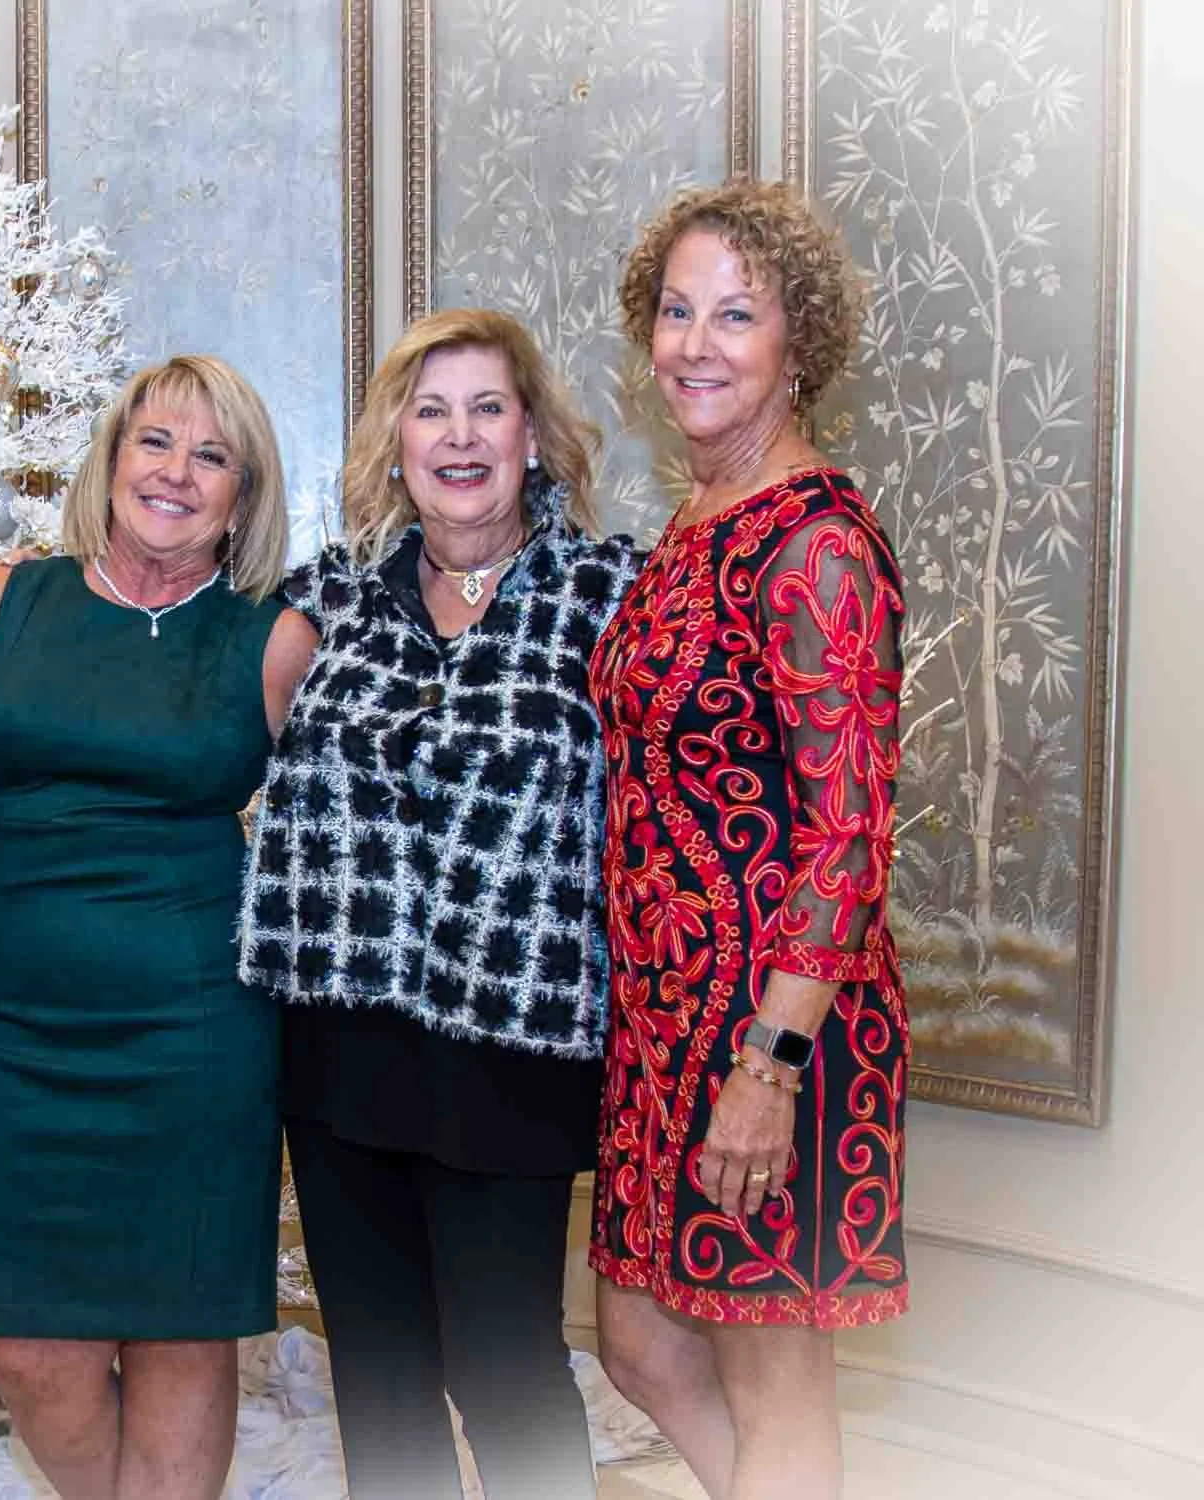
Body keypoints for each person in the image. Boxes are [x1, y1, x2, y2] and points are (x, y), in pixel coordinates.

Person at [0, 355, 317, 1500]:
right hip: (14, 1037)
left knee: (183, 1333)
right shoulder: (2, 601)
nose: (175, 472)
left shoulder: (272, 639)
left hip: (194, 1041)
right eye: (155, 442)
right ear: (112, 457)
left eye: (211, 455)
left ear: (241, 494)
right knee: (32, 1356)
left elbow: (339, 838)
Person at [237, 307, 637, 1500]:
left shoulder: (608, 593)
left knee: (504, 1365)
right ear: (395, 443)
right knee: (380, 1373)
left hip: (513, 1040)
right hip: (341, 1038)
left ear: (530, 437)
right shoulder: (328, 599)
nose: (458, 437)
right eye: (430, 411)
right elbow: (235, 754)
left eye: (486, 409)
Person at [587, 180, 908, 1500]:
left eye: (735, 315)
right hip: (665, 1018)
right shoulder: (697, 522)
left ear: (797, 343)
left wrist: (768, 1065)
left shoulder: (815, 541)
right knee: (639, 1343)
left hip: (775, 1028)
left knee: (775, 1379)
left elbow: (848, 833)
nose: (695, 345)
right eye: (676, 312)